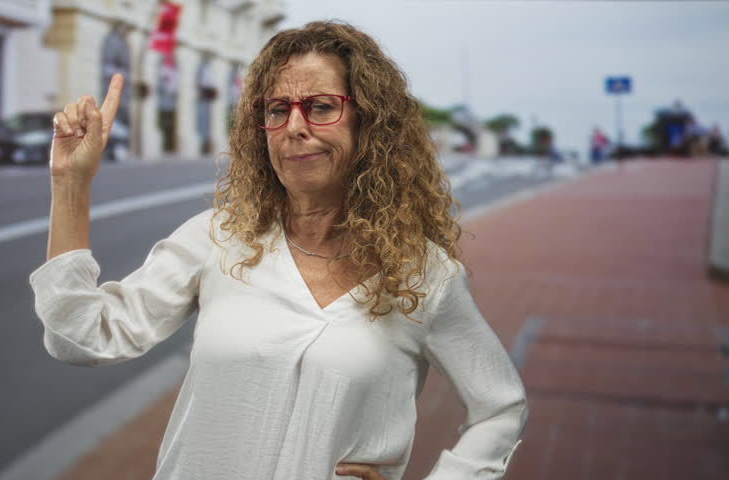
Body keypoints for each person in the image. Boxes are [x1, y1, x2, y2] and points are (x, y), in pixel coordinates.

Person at [30, 21, 528, 480]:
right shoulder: (219, 238)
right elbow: (83, 336)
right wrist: (70, 184)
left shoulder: (424, 275)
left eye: (321, 107)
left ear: (369, 122)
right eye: (276, 109)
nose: (294, 126)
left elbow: (500, 408)